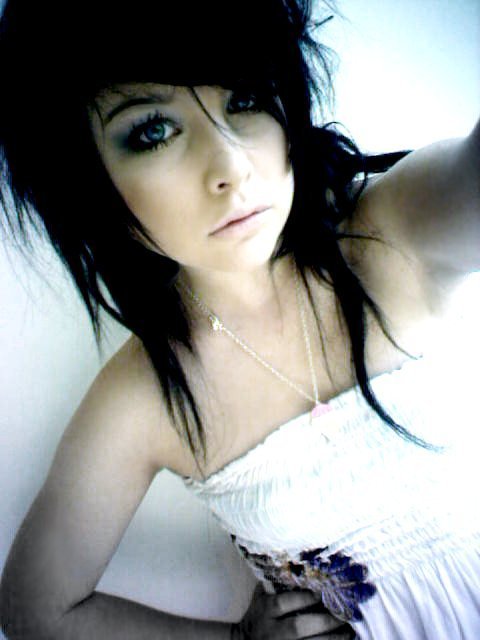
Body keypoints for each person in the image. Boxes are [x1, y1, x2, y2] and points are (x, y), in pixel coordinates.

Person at [0, 0, 479, 638]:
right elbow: (34, 609)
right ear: (88, 178)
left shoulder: (396, 229)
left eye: (247, 98)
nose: (231, 166)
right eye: (153, 131)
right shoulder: (148, 396)